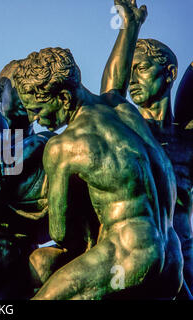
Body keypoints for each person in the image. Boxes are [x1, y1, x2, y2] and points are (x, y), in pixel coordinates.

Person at [14, 45, 183, 299]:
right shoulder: (121, 108)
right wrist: (130, 24)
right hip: (171, 259)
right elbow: (115, 79)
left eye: (37, 109)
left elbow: (62, 234)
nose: (33, 119)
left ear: (63, 99)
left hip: (128, 256)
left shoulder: (63, 147)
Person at [100, 0, 193, 295]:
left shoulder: (188, 140)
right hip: (135, 258)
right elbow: (111, 98)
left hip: (185, 260)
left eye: (141, 68)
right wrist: (130, 27)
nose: (133, 80)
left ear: (169, 73)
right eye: (129, 71)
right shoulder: (130, 130)